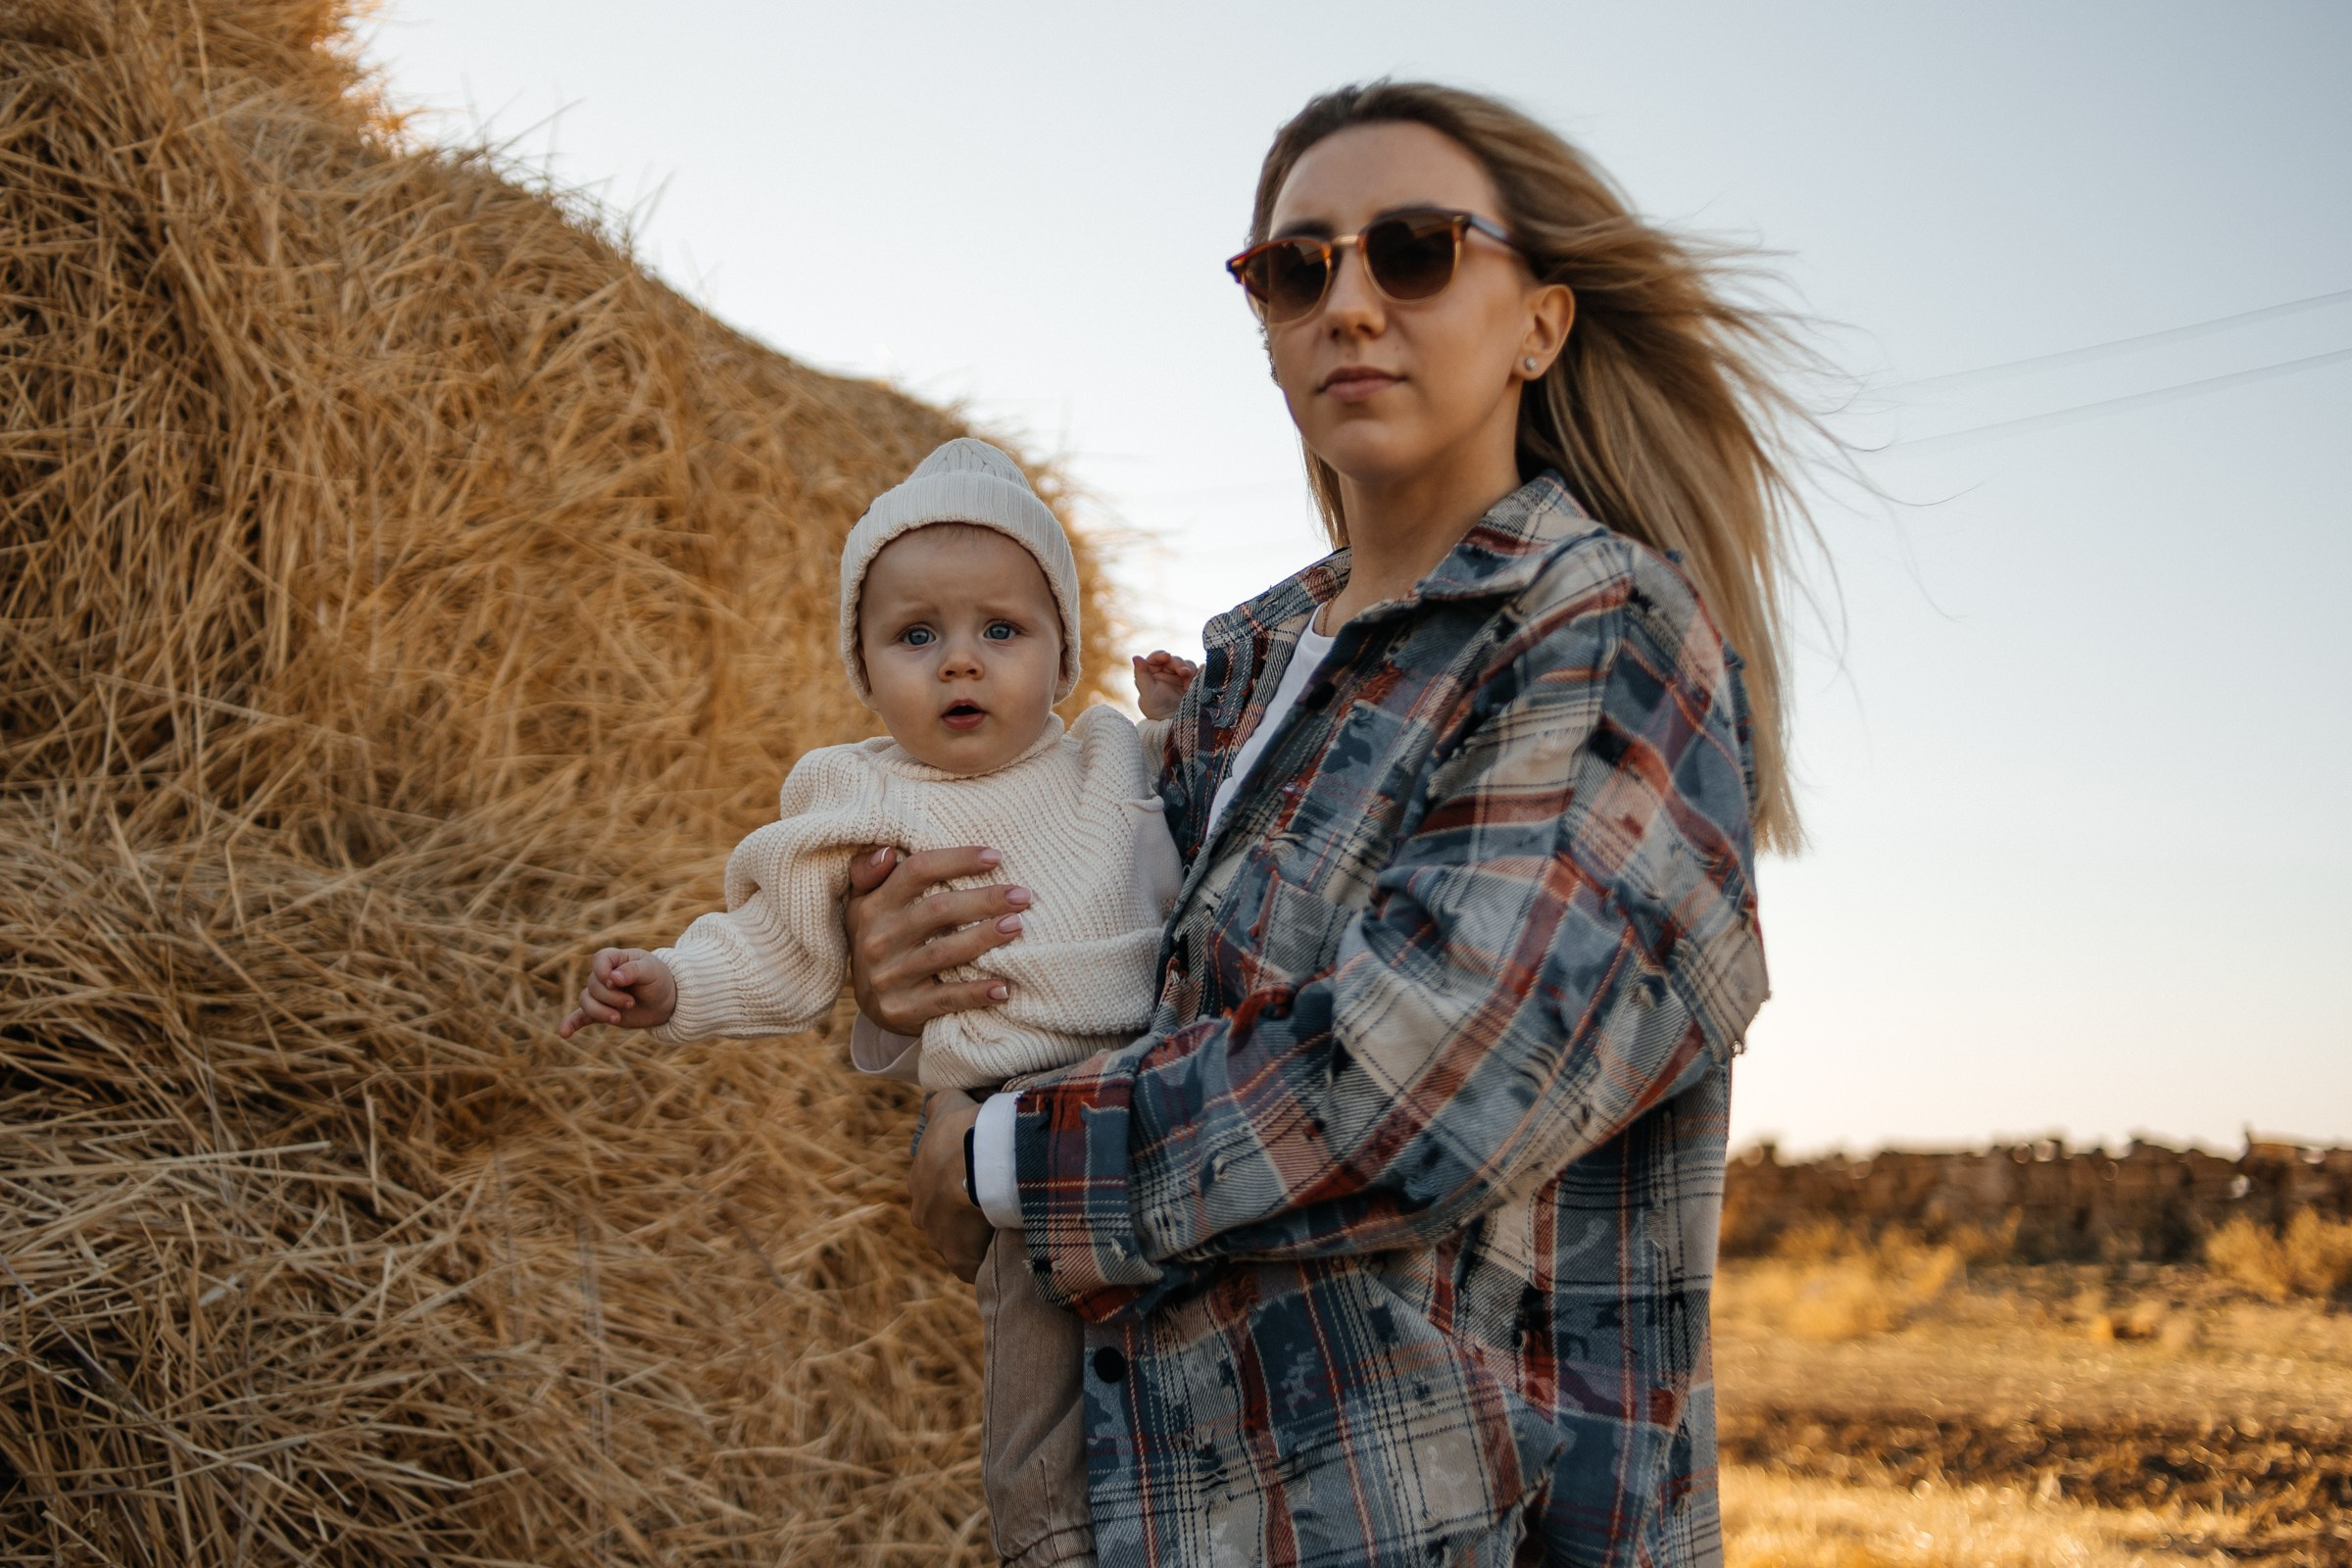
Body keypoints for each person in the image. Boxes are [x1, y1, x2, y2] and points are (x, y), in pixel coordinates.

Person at [851, 80, 1809, 1567]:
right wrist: (910, 961)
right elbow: (1082, 1010)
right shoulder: (1233, 684)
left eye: (1413, 251)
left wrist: (1001, 1161)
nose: (1349, 302)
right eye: (1297, 270)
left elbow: (1430, 1073)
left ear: (1540, 324)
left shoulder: (1602, 631)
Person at [556, 435, 1198, 1568]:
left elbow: (1212, 816)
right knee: (1045, 1443)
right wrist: (671, 982)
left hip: (1171, 1106)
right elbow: (778, 946)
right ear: (862, 667)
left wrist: (1184, 721)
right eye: (917, 636)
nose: (961, 663)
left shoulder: (1109, 753)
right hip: (1015, 1138)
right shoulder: (856, 793)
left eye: (1002, 631)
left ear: (1061, 658)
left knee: (1195, 1413)